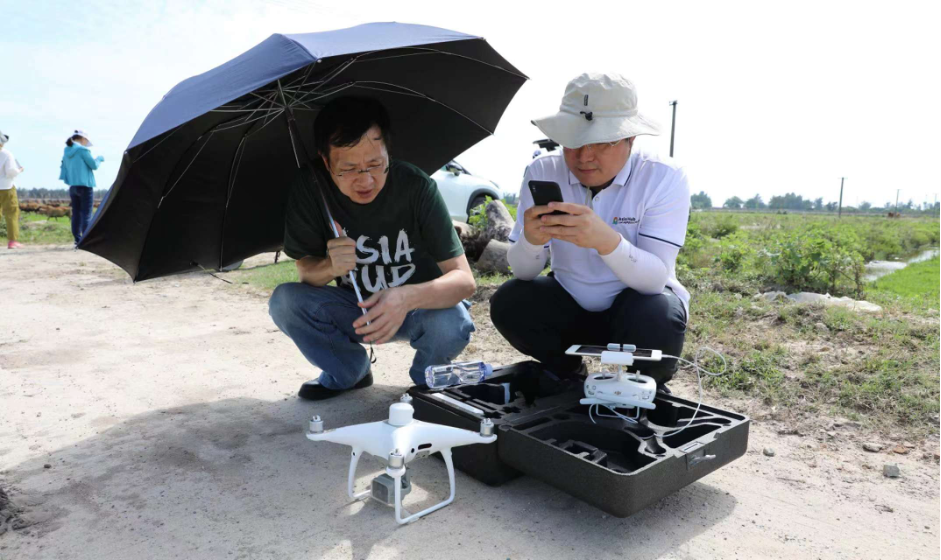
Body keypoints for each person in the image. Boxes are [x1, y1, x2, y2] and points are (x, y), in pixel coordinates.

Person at [268, 97, 476, 400]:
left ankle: (426, 384)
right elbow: (306, 277)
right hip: (355, 309)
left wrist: (405, 296)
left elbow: (464, 281)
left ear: (388, 152)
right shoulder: (311, 187)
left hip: (420, 309)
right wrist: (330, 267)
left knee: (451, 321)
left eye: (376, 164)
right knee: (285, 301)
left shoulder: (416, 186)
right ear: (326, 162)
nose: (365, 180)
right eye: (349, 169)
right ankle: (348, 372)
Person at [490, 73, 690, 387]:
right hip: (569, 301)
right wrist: (531, 240)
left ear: (630, 139)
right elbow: (522, 271)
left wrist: (606, 241)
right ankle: (568, 372)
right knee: (510, 301)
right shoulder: (543, 170)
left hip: (635, 307)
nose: (584, 156)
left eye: (602, 142)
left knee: (659, 314)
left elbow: (655, 279)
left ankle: (645, 384)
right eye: (574, 141)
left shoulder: (662, 176)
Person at [59, 130, 104, 246]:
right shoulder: (83, 150)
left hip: (73, 186)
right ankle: (86, 240)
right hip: (85, 186)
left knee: (76, 213)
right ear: (83, 139)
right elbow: (93, 165)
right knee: (86, 214)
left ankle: (77, 239)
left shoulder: (66, 151)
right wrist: (99, 158)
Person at [0, 130, 25, 249]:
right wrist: (19, 170)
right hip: (6, 187)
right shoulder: (6, 154)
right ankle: (12, 241)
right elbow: (10, 172)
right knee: (11, 213)